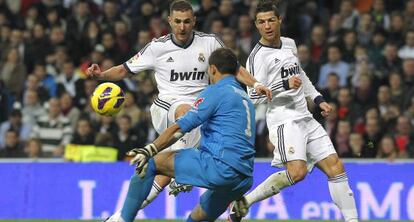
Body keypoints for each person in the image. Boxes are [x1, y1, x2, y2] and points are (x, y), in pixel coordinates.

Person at [86, 0, 271, 210]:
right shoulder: (158, 47)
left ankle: (122, 215)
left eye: (186, 22)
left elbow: (234, 68)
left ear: (194, 21)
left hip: (199, 115)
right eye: (177, 22)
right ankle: (183, 176)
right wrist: (101, 75)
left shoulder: (209, 42)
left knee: (164, 169)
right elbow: (124, 70)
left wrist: (256, 83)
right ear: (169, 21)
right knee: (186, 111)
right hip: (167, 107)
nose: (182, 27)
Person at [229, 1, 358, 222]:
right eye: (261, 22)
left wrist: (317, 98)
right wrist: (284, 85)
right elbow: (254, 96)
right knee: (297, 173)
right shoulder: (257, 57)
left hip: (305, 116)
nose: (267, 25)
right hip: (283, 120)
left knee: (336, 167)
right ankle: (245, 202)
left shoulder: (289, 43)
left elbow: (300, 74)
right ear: (256, 25)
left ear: (280, 20)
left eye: (271, 20)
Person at [105, 48, 256, 222]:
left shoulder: (215, 92)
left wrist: (150, 150)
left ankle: (122, 219)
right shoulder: (244, 98)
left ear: (212, 69)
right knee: (197, 217)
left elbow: (181, 127)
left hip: (219, 168)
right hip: (243, 178)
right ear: (237, 71)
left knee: (150, 164)